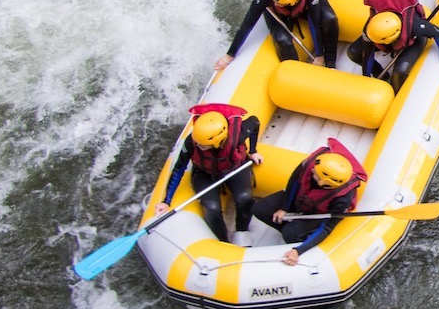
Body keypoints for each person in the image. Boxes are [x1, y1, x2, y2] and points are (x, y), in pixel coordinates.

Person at [155, 103, 263, 244]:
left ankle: (242, 230)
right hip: (205, 173)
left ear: (218, 141)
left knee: (244, 198)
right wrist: (166, 201)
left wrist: (253, 151)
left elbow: (254, 122)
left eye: (202, 145)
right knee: (211, 207)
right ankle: (223, 240)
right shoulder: (192, 141)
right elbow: (178, 169)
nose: (198, 146)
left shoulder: (237, 135)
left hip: (235, 168)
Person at [252, 138, 367, 266]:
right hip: (300, 198)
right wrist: (284, 207)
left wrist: (298, 251)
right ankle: (290, 226)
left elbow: (326, 228)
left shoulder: (342, 200)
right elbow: (295, 181)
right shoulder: (315, 163)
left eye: (316, 174)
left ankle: (298, 237)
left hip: (318, 213)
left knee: (290, 233)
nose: (312, 170)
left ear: (326, 182)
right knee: (259, 209)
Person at [215, 0, 339, 70]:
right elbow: (248, 23)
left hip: (303, 5)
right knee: (281, 39)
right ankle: (295, 73)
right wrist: (229, 56)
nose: (275, 3)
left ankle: (331, 61)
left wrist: (319, 56)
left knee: (329, 19)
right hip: (280, 12)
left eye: (278, 2)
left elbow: (314, 24)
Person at [348, 0, 439, 92]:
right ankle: (383, 76)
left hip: (414, 39)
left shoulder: (415, 26)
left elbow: (437, 32)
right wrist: (366, 76)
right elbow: (367, 55)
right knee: (354, 52)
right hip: (387, 34)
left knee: (400, 72)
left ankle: (394, 91)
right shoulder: (371, 31)